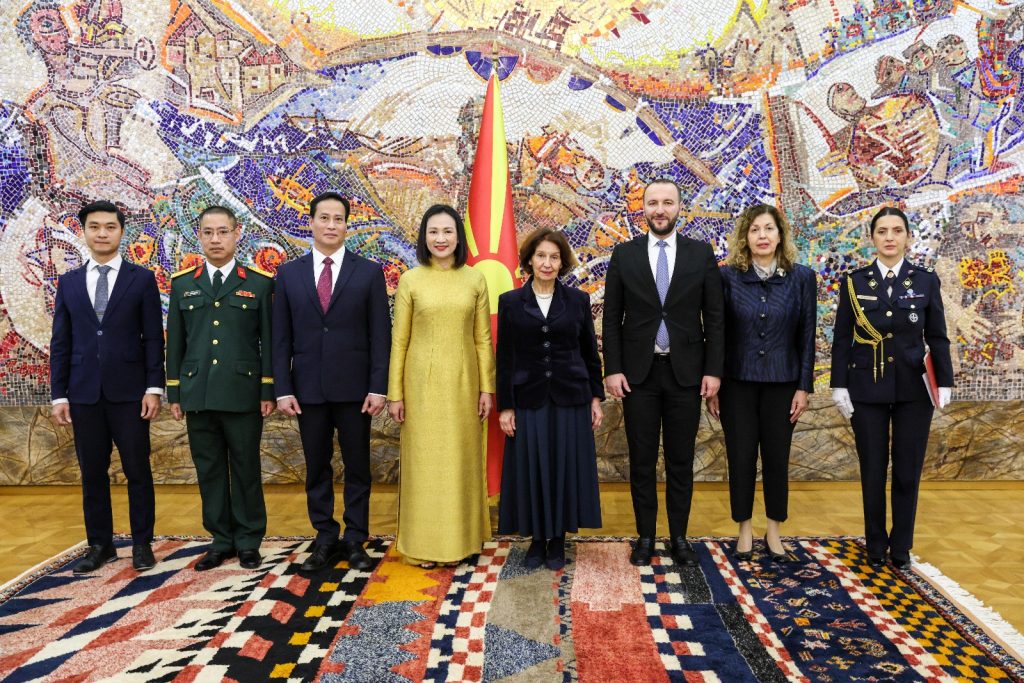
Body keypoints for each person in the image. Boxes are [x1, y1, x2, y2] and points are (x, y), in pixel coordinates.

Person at [602, 178, 725, 567]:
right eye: (653, 202)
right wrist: (612, 369)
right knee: (641, 461)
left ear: (678, 208)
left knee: (680, 461)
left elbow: (715, 318)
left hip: (685, 375)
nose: (659, 209)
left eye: (667, 202)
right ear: (643, 207)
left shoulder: (700, 254)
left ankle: (679, 538)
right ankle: (645, 538)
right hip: (638, 376)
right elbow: (611, 318)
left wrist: (714, 371)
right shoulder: (624, 254)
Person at [272, 192, 391, 572]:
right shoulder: (288, 274)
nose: (331, 225)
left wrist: (378, 387)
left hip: (356, 391)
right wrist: (283, 388)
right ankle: (324, 536)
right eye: (324, 218)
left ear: (346, 226)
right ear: (311, 222)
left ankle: (355, 537)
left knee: (358, 466)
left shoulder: (368, 273)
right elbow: (280, 338)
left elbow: (380, 335)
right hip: (307, 390)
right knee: (316, 466)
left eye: (338, 219)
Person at [830, 206, 954, 570]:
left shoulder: (925, 280)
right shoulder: (854, 282)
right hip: (866, 387)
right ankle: (874, 543)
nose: (889, 237)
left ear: (908, 238)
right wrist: (839, 384)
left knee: (906, 469)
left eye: (896, 231)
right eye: (882, 231)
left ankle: (901, 546)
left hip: (914, 391)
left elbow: (937, 335)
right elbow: (842, 337)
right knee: (872, 468)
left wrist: (944, 380)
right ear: (872, 238)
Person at [49, 200, 164, 573]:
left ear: (121, 231)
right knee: (92, 473)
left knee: (137, 470)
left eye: (110, 227)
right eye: (94, 227)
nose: (102, 233)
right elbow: (61, 342)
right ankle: (100, 545)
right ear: (83, 231)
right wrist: (59, 394)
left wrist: (154, 387)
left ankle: (142, 543)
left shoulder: (141, 279)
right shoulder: (68, 282)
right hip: (83, 394)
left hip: (130, 394)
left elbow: (153, 338)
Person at [166, 206, 275, 571]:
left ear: (236, 233)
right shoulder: (183, 283)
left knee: (245, 467)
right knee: (209, 469)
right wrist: (175, 392)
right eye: (208, 232)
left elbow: (269, 342)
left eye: (223, 232)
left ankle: (248, 540)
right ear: (198, 235)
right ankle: (220, 540)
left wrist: (267, 389)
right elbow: (175, 342)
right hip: (197, 392)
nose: (216, 239)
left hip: (242, 392)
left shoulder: (259, 283)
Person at [706, 205, 816, 562]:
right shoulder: (727, 277)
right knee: (740, 457)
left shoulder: (801, 278)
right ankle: (743, 529)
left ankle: (773, 531)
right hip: (736, 384)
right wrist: (715, 382)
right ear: (745, 237)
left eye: (769, 228)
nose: (762, 236)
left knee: (776, 458)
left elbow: (807, 336)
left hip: (783, 384)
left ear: (780, 235)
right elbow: (717, 333)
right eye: (755, 230)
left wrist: (803, 387)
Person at [387, 204, 495, 568]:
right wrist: (395, 393)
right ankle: (424, 545)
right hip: (420, 387)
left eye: (448, 231)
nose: (441, 238)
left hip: (464, 384)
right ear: (424, 237)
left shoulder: (475, 280)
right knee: (425, 464)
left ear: (458, 237)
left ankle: (462, 542)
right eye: (433, 231)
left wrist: (487, 388)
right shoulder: (411, 280)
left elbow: (483, 339)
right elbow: (399, 341)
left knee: (460, 461)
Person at [495, 228, 604, 571]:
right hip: (528, 399)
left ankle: (558, 539)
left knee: (563, 468)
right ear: (529, 260)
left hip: (571, 397)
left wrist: (596, 398)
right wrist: (505, 406)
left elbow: (589, 353)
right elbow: (505, 357)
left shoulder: (578, 300)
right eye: (541, 256)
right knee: (532, 469)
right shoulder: (510, 302)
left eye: (554, 257)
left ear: (562, 262)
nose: (547, 263)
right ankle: (537, 540)